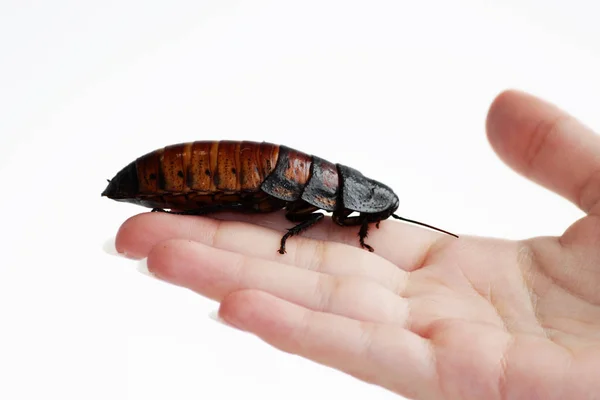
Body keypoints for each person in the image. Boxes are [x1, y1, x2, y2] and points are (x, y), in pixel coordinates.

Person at [113, 90, 600, 399]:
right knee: (234, 194)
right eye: (365, 219)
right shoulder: (314, 193)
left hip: (238, 171)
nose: (362, 222)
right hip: (197, 168)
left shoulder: (322, 195)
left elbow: (314, 210)